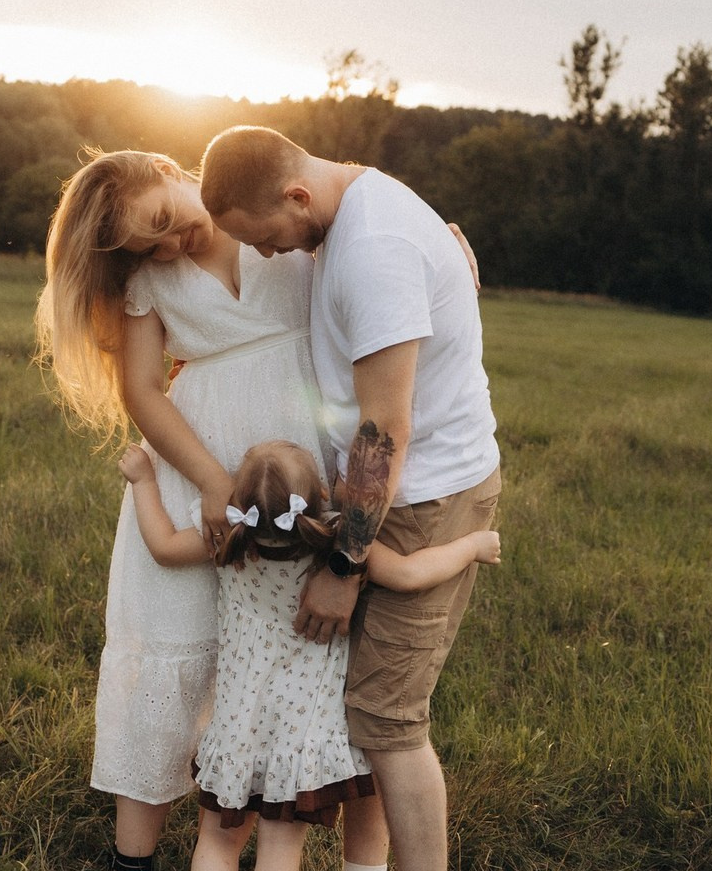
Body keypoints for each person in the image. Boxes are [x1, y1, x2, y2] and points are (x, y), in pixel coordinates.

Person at [33, 149, 389, 871]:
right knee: (172, 637)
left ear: (168, 166)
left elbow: (367, 208)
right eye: (148, 245)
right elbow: (141, 390)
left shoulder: (273, 207)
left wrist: (439, 233)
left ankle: (277, 824)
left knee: (291, 649)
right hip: (199, 460)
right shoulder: (147, 278)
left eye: (163, 220)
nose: (170, 245)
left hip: (296, 462)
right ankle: (131, 857)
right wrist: (207, 482)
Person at [199, 127, 503, 871]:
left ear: (297, 195)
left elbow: (385, 430)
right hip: (384, 496)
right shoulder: (352, 204)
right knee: (357, 711)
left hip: (426, 495)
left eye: (266, 237)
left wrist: (342, 567)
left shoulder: (372, 249)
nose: (270, 255)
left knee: (387, 719)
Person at [118, 438, 500, 871]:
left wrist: (144, 481)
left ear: (239, 503)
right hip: (299, 736)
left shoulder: (228, 540)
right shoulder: (338, 542)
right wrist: (471, 547)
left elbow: (164, 547)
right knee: (280, 850)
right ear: (321, 494)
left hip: (238, 720)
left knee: (218, 841)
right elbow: (409, 575)